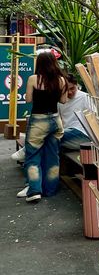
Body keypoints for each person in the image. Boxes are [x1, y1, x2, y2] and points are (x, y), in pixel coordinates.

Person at [17, 51, 67, 203]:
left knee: (32, 156)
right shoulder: (61, 80)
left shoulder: (34, 79)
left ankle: (34, 191)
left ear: (39, 64)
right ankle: (50, 189)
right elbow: (63, 101)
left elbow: (28, 99)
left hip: (39, 121)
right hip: (55, 120)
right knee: (53, 156)